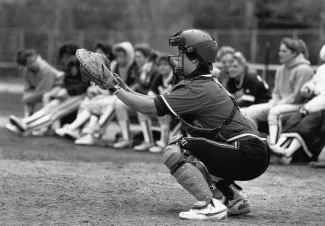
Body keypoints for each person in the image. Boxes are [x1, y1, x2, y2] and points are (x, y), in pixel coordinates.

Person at [79, 29, 270, 221]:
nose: (177, 58)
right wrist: (121, 85)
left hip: (247, 152)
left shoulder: (197, 88)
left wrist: (114, 87)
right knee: (191, 148)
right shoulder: (202, 83)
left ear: (195, 58)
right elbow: (151, 101)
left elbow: (148, 108)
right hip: (252, 152)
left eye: (182, 53)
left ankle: (210, 204)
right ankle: (234, 199)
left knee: (176, 149)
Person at [242, 38, 314, 145]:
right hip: (280, 104)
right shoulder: (280, 69)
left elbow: (297, 97)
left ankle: (273, 146)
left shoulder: (304, 69)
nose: (280, 53)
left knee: (274, 112)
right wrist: (273, 103)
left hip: (299, 105)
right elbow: (275, 93)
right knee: (250, 111)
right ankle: (255, 146)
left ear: (294, 53)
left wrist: (276, 105)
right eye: (280, 50)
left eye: (284, 51)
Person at [7, 44, 90, 136]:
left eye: (65, 57)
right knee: (49, 108)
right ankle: (24, 122)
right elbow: (68, 81)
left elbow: (85, 85)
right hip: (68, 93)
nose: (64, 59)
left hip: (80, 96)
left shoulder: (85, 64)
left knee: (55, 113)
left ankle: (27, 128)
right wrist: (65, 89)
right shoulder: (72, 65)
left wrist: (68, 90)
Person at [270, 44, 325, 164]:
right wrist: (308, 88)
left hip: (318, 108)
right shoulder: (321, 69)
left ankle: (287, 152)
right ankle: (278, 148)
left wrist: (313, 104)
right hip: (312, 105)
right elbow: (314, 82)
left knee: (305, 125)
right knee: (293, 121)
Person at [113, 43, 160, 151]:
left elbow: (152, 92)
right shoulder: (140, 70)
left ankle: (149, 142)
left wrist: (136, 89)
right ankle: (126, 139)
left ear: (147, 57)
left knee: (141, 106)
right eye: (135, 57)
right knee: (120, 105)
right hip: (145, 101)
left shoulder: (154, 70)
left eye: (139, 57)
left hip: (158, 105)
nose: (136, 59)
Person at [16, 49, 64, 117]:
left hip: (58, 86)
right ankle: (27, 119)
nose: (34, 64)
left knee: (46, 96)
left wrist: (30, 96)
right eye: (30, 63)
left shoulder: (45, 69)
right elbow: (28, 88)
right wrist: (28, 96)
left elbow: (46, 89)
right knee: (28, 99)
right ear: (25, 65)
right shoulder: (27, 71)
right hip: (43, 90)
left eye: (34, 61)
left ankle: (45, 119)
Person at [148, 54, 174, 153]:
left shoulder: (175, 77)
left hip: (175, 108)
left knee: (163, 113)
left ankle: (164, 142)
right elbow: (151, 93)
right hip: (163, 105)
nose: (162, 67)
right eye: (159, 65)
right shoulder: (159, 77)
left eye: (165, 64)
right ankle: (151, 141)